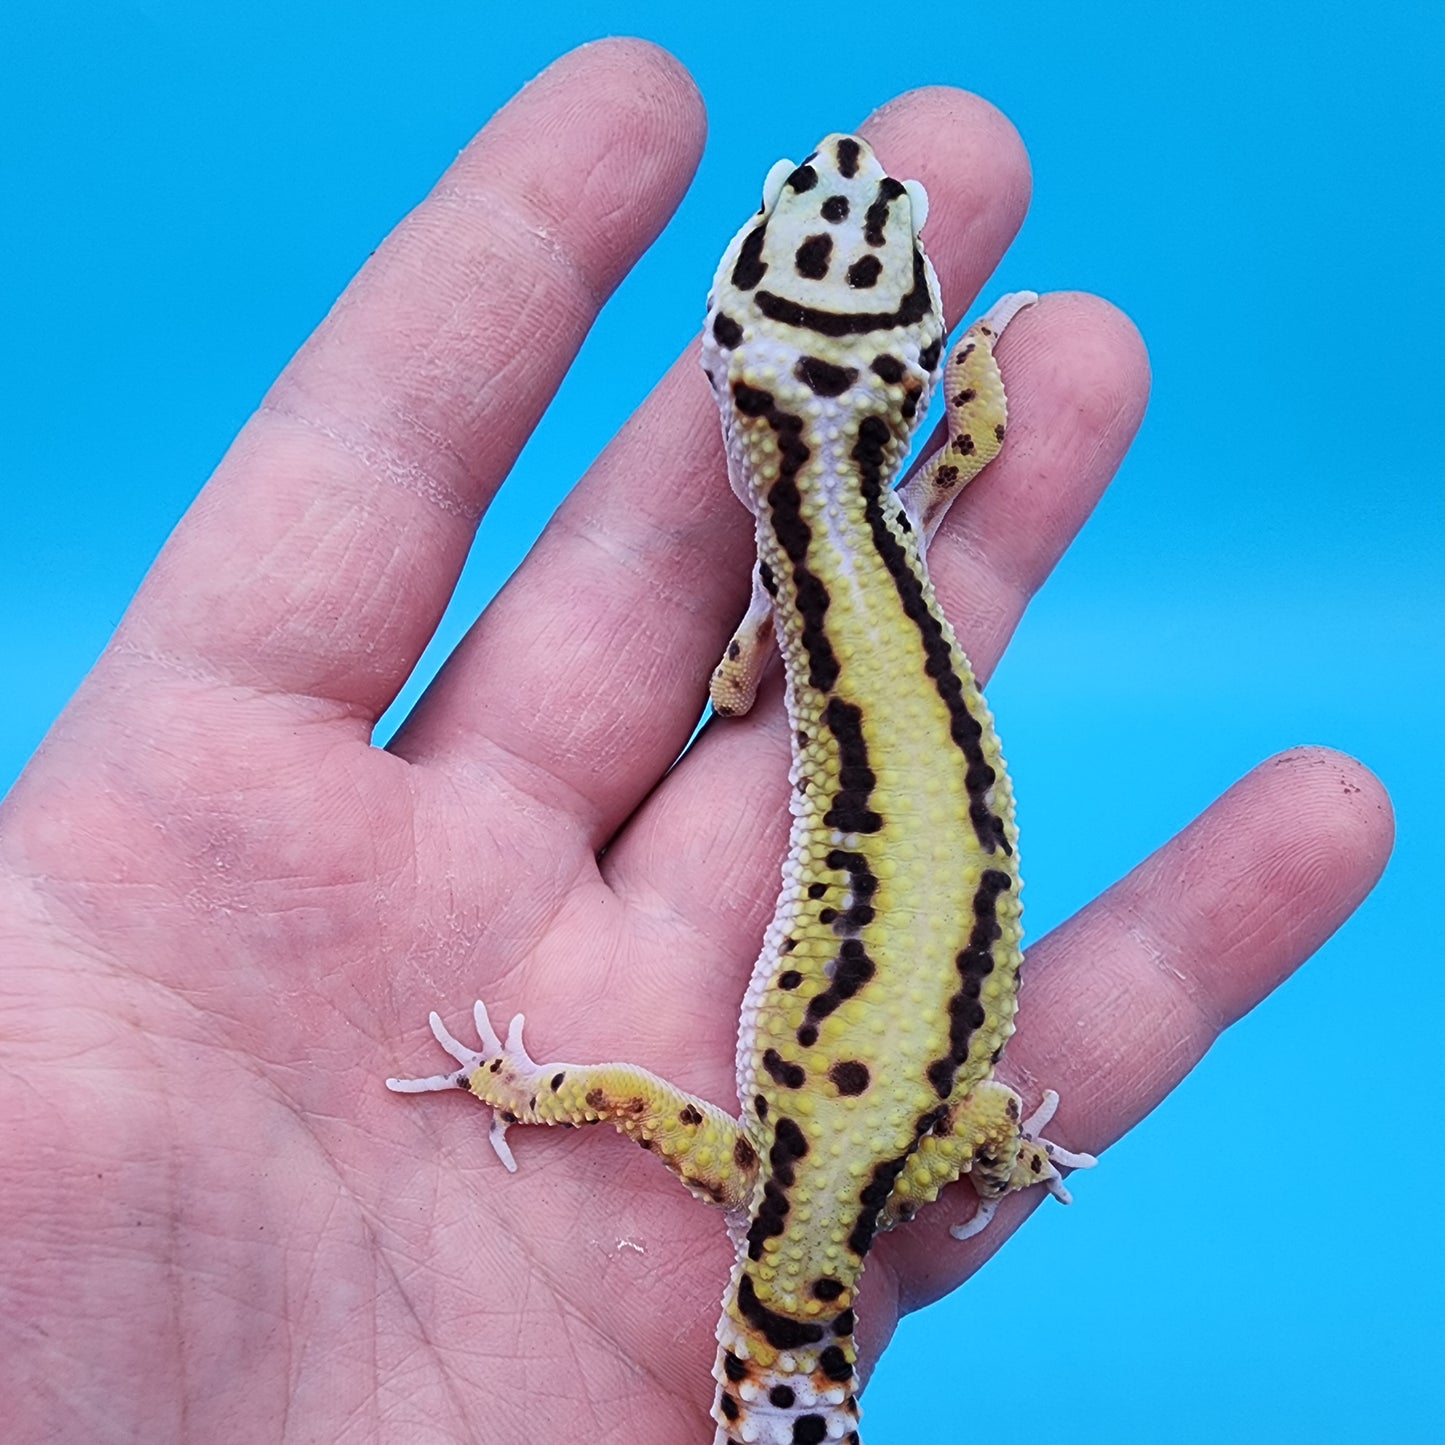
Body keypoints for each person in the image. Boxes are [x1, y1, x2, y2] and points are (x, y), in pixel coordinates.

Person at [0, 39, 1391, 1442]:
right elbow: (873, 547)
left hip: (906, 1101)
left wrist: (517, 1085)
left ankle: (957, 1136)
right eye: (807, 198)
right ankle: (991, 1142)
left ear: (730, 340)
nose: (843, 182)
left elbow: (737, 684)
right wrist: (972, 393)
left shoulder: (787, 593)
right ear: (897, 385)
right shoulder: (874, 538)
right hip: (893, 1060)